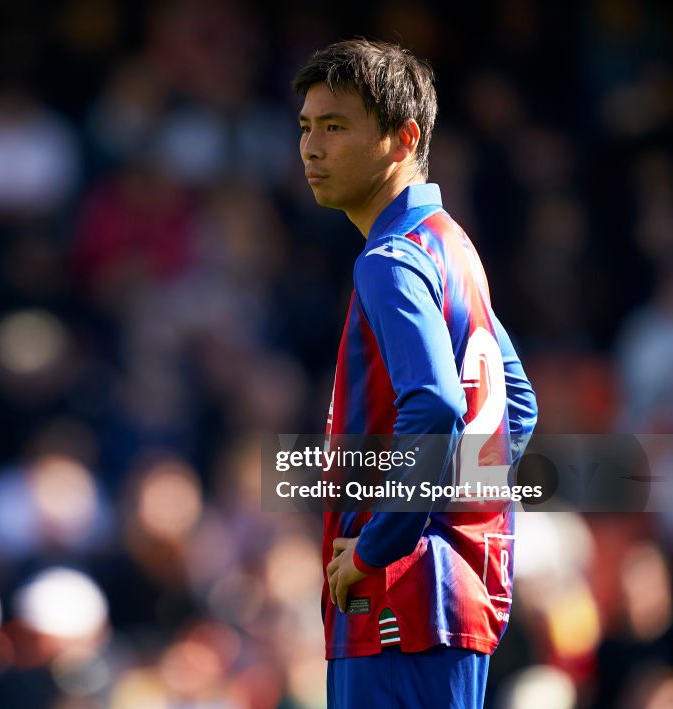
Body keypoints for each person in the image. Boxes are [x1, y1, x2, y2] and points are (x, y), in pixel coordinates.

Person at [292, 40, 538, 708]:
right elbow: (517, 402)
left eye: (336, 127)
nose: (312, 147)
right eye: (307, 127)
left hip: (397, 603)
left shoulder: (390, 260)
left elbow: (432, 407)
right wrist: (461, 523)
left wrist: (381, 545)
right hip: (456, 600)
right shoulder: (451, 244)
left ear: (404, 138)